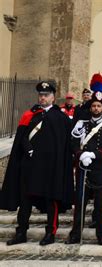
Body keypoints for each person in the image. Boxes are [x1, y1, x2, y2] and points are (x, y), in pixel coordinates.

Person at [1, 82, 74, 246]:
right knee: (25, 200)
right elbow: (22, 138)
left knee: (50, 200)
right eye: (41, 95)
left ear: (53, 97)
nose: (42, 97)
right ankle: (21, 232)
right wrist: (28, 149)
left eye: (46, 95)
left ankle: (50, 233)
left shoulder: (60, 118)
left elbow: (63, 145)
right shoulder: (30, 115)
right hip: (30, 166)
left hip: (50, 168)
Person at [66, 91, 102, 246]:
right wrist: (80, 154)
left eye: (99, 106)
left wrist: (94, 155)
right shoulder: (81, 123)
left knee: (101, 204)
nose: (96, 108)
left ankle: (101, 234)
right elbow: (73, 142)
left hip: (100, 167)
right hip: (83, 166)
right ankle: (75, 233)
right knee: (80, 202)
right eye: (94, 105)